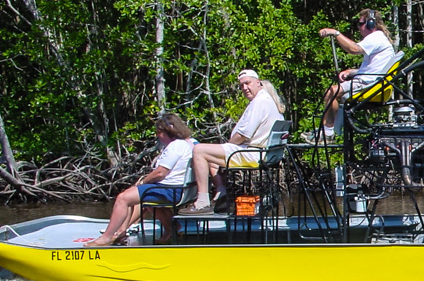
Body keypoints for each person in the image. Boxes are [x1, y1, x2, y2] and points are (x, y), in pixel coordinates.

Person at [179, 69, 284, 215]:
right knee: (211, 156)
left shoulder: (260, 102)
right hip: (262, 153)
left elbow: (243, 134)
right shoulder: (266, 100)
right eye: (241, 85)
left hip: (254, 154)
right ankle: (221, 194)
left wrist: (229, 145)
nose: (245, 88)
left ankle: (202, 202)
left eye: (247, 83)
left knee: (199, 150)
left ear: (257, 82)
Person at [85, 113, 195, 246]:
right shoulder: (189, 144)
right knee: (140, 197)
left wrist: (143, 182)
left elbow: (160, 173)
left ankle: (107, 237)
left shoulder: (175, 146)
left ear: (167, 131)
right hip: (181, 190)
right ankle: (169, 230)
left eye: (158, 132)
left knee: (123, 198)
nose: (158, 135)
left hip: (170, 190)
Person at [318, 8, 395, 139]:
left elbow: (354, 49)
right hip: (370, 81)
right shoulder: (379, 38)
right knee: (337, 95)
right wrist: (351, 72)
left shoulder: (376, 37)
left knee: (331, 92)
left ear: (371, 24)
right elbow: (374, 68)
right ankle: (333, 131)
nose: (359, 28)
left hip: (368, 83)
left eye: (360, 24)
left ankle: (327, 133)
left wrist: (335, 33)